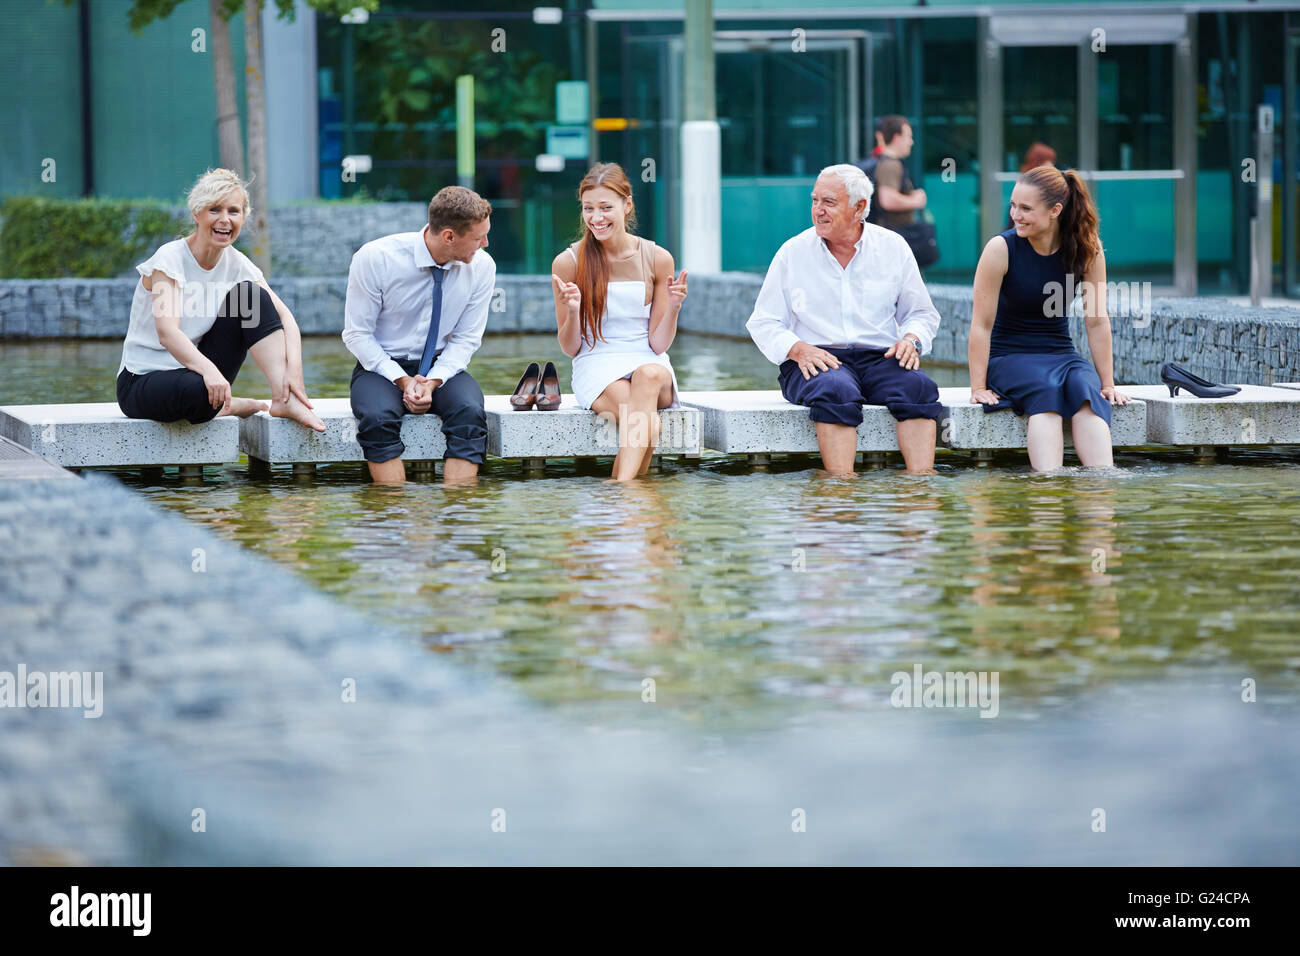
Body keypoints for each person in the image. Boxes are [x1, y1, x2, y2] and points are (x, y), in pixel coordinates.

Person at [746, 164, 943, 476]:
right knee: (836, 390)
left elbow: (921, 313)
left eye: (829, 202)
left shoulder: (893, 247)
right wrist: (798, 349)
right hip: (816, 358)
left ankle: (919, 487)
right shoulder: (793, 252)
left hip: (880, 357)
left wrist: (912, 340)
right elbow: (764, 321)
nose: (818, 210)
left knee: (919, 388)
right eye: (814, 201)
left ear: (860, 207)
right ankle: (840, 489)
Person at [116, 168, 324, 432]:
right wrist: (210, 372)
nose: (225, 219)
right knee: (198, 392)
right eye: (214, 210)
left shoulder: (237, 263)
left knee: (251, 296)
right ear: (196, 214)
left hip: (199, 373)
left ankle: (284, 400)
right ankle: (226, 404)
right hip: (142, 379)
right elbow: (167, 333)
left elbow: (285, 318)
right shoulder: (169, 260)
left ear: (243, 217)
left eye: (233, 211)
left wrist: (293, 373)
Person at [969, 164, 1129, 471]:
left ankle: (1101, 490)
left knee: (1086, 391)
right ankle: (1048, 492)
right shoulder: (1000, 249)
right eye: (1013, 205)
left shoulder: (1088, 250)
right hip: (1009, 356)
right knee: (1046, 392)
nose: (1015, 215)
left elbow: (1096, 320)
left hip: (1060, 352)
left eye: (1026, 208)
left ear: (1055, 210)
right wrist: (978, 387)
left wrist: (1107, 383)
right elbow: (981, 324)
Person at [343, 186, 495, 485]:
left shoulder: (482, 267)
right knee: (377, 418)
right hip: (381, 367)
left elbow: (466, 339)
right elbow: (357, 334)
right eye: (478, 238)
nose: (485, 244)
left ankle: (457, 511)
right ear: (449, 236)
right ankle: (398, 514)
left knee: (470, 412)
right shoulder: (376, 258)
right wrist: (402, 380)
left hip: (442, 366)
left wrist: (434, 380)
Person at [551, 163, 687, 482]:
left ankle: (620, 495)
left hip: (647, 361)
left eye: (606, 207)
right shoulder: (568, 262)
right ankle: (628, 500)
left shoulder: (657, 258)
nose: (597, 218)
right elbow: (570, 348)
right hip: (597, 365)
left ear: (627, 205)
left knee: (650, 374)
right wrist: (573, 310)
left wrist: (675, 307)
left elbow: (658, 344)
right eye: (589, 209)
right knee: (647, 424)